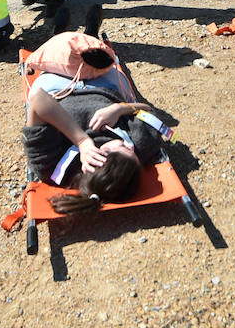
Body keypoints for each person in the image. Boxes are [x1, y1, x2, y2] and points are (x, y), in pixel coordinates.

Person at [21, 19, 168, 214]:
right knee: (96, 55)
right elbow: (147, 110)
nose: (130, 145)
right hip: (105, 85)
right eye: (132, 152)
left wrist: (82, 140)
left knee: (64, 49)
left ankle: (61, 33)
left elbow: (37, 98)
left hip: (58, 86)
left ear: (101, 155)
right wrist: (119, 108)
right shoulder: (141, 145)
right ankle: (90, 33)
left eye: (124, 147)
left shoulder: (53, 167)